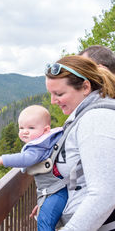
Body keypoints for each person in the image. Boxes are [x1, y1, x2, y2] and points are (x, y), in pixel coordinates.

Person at [44, 55, 115, 230]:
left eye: (59, 94)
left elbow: (104, 194)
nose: (53, 101)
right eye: (51, 94)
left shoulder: (96, 120)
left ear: (85, 87)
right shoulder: (89, 115)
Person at [0, 105, 66, 231]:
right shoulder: (48, 141)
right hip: (57, 190)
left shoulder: (38, 147)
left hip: (55, 192)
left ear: (45, 130)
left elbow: (26, 159)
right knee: (45, 219)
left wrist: (2, 159)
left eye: (31, 128)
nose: (24, 131)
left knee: (44, 222)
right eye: (21, 128)